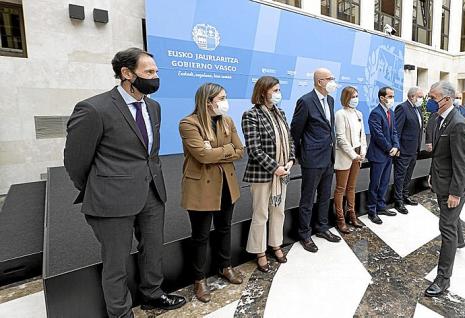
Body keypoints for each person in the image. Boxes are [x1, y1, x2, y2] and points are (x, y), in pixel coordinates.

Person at [64, 48, 186, 318]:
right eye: (149, 72)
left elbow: (148, 152)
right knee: (116, 262)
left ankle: (153, 295)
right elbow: (75, 161)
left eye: (156, 72)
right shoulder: (94, 108)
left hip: (152, 193)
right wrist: (99, 186)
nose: (155, 77)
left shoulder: (154, 106)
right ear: (127, 74)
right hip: (111, 198)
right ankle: (120, 313)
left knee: (153, 250)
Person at [179, 83, 244, 303]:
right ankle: (199, 279)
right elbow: (203, 156)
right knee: (201, 235)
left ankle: (225, 266)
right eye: (222, 98)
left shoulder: (227, 121)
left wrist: (216, 151)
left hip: (226, 183)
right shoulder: (189, 123)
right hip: (201, 186)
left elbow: (240, 151)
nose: (226, 101)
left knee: (224, 228)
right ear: (208, 101)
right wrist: (225, 151)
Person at [424, 81, 465, 297]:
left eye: (433, 98)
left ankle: (443, 279)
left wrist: (455, 193)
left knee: (446, 227)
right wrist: (432, 174)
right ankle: (460, 240)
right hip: (442, 179)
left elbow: (462, 164)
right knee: (451, 220)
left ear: (447, 99)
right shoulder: (439, 119)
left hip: (454, 186)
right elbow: (441, 156)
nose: (430, 102)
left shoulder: (459, 124)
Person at [242, 76, 295, 272]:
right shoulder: (251, 115)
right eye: (275, 90)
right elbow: (254, 149)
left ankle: (275, 244)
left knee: (278, 211)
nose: (278, 94)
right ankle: (259, 251)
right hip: (263, 174)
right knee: (261, 213)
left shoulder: (280, 113)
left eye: (279, 90)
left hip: (283, 173)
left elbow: (289, 140)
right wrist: (275, 167)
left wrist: (290, 160)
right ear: (263, 92)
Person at [290, 68, 341, 253]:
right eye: (330, 78)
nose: (333, 81)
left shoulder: (331, 100)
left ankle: (322, 227)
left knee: (324, 195)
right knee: (307, 198)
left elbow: (328, 128)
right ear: (320, 81)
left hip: (328, 157)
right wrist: (295, 155)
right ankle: (304, 234)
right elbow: (295, 131)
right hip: (312, 159)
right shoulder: (305, 101)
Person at [333, 86, 367, 233]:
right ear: (346, 97)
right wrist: (353, 154)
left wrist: (363, 151)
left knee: (352, 187)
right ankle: (340, 220)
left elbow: (362, 135)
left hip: (358, 154)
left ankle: (352, 214)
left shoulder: (359, 113)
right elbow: (340, 137)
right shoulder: (340, 114)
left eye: (357, 96)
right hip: (346, 155)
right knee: (341, 189)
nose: (355, 99)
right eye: (353, 96)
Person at [366, 87, 400, 225]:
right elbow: (378, 135)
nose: (392, 99)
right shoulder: (375, 113)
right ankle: (372, 210)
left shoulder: (390, 112)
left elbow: (394, 132)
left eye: (392, 96)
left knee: (384, 182)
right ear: (382, 98)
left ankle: (381, 206)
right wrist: (389, 148)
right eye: (390, 96)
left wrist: (396, 146)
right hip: (378, 155)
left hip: (389, 154)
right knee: (375, 183)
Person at [392, 87, 424, 214]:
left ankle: (405, 195)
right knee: (400, 176)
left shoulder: (418, 108)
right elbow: (397, 130)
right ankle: (398, 200)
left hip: (414, 149)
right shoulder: (402, 108)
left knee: (408, 175)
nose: (422, 99)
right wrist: (397, 147)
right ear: (412, 96)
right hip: (404, 150)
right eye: (420, 97)